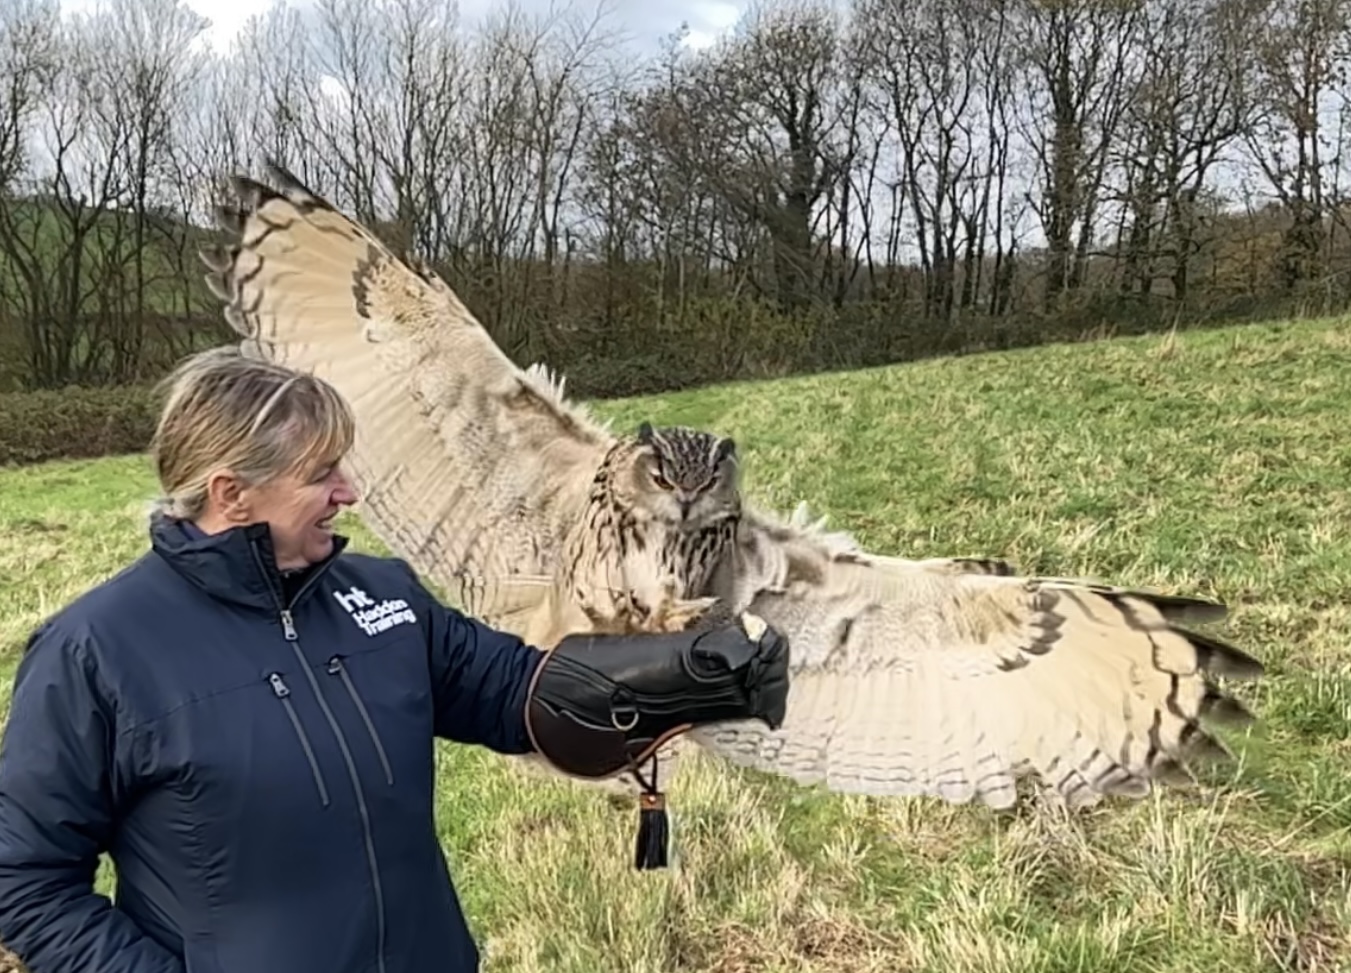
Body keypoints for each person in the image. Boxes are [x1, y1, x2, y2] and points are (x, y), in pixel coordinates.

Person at [0, 347, 791, 973]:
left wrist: (680, 671)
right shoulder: (93, 652)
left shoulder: (380, 596)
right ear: (230, 493)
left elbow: (514, 689)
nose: (349, 490)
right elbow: (26, 881)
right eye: (321, 474)